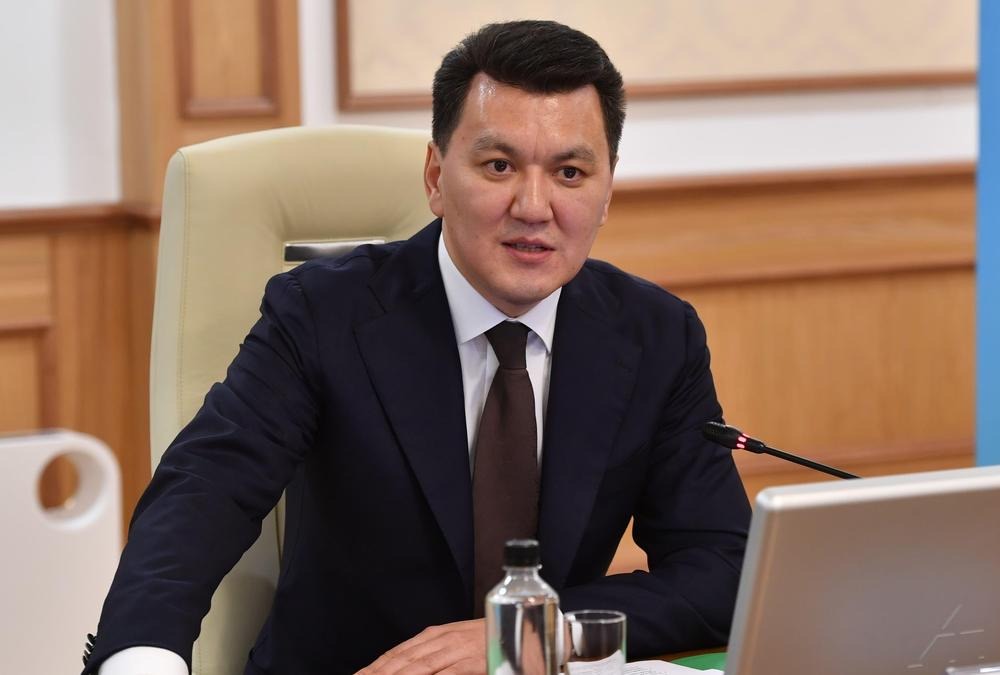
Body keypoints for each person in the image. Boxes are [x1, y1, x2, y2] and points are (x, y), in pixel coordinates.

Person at [85, 20, 750, 675]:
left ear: (606, 192)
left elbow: (721, 566)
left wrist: (527, 636)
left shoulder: (655, 335)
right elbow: (204, 494)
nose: (534, 206)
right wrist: (141, 659)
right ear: (435, 176)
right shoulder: (323, 313)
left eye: (570, 172)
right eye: (499, 166)